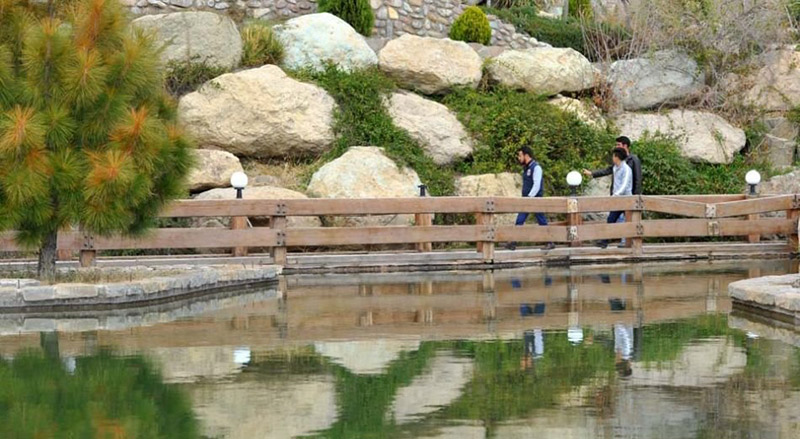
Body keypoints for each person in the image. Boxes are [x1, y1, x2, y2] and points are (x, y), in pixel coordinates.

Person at [505, 146, 555, 251]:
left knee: (541, 220)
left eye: (520, 155)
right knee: (520, 220)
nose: (519, 158)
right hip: (527, 199)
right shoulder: (526, 168)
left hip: (534, 199)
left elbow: (537, 185)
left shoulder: (536, 167)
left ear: (526, 155)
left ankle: (550, 242)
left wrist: (529, 197)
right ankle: (513, 242)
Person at [597, 148, 632, 249]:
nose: (612, 158)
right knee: (611, 219)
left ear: (617, 157)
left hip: (626, 199)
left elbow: (625, 185)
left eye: (613, 156)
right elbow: (616, 184)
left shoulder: (626, 169)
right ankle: (604, 241)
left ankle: (627, 242)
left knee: (628, 221)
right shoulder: (615, 168)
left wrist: (616, 194)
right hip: (617, 200)